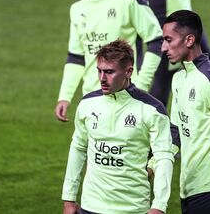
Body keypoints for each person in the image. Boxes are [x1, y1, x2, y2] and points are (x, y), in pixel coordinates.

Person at [54, 0, 163, 122]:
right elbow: (76, 56)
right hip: (92, 102)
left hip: (127, 101)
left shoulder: (130, 0)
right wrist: (65, 96)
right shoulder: (78, 8)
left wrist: (141, 85)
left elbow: (156, 41)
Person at [60, 40, 174, 214]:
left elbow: (164, 157)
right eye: (99, 71)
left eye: (109, 72)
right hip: (91, 206)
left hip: (132, 208)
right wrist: (69, 198)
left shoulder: (152, 109)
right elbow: (78, 148)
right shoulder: (87, 104)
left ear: (128, 71)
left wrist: (159, 205)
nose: (102, 78)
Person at [162, 10, 210, 214]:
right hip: (188, 186)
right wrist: (155, 164)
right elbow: (176, 133)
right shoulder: (178, 79)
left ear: (189, 40)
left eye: (169, 40)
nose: (164, 48)